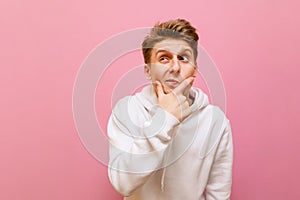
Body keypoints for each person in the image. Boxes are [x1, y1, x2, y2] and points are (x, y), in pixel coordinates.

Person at [107, 19, 233, 200]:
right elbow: (123, 183)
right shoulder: (127, 110)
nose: (174, 67)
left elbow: (219, 194)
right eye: (164, 58)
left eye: (183, 58)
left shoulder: (216, 121)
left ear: (195, 69)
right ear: (148, 71)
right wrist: (164, 119)